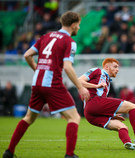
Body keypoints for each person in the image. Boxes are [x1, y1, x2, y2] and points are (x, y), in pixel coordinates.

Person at [3, 11, 90, 158]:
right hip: (53, 84)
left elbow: (27, 55)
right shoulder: (69, 42)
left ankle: (9, 152)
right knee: (74, 118)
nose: (79, 28)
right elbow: (68, 67)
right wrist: (81, 87)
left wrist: (38, 69)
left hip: (37, 83)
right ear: (74, 25)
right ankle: (69, 155)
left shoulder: (46, 36)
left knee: (28, 118)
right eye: (79, 26)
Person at [78, 58, 135, 150]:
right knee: (133, 107)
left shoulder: (107, 81)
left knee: (122, 126)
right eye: (115, 67)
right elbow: (79, 81)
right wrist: (96, 86)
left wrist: (112, 114)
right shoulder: (97, 71)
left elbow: (101, 105)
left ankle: (129, 144)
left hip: (89, 114)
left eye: (118, 67)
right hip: (94, 102)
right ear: (106, 67)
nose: (117, 69)